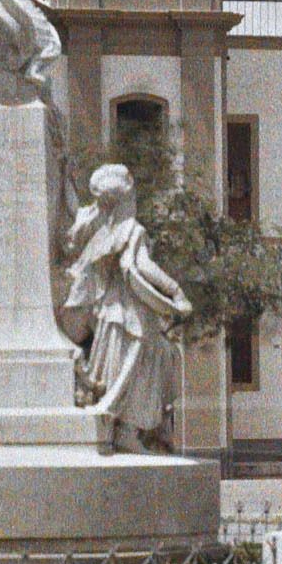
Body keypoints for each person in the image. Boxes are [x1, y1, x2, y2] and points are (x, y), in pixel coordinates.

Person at [64, 162, 191, 453]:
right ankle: (126, 427)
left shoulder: (103, 233)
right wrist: (175, 291)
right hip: (131, 313)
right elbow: (145, 267)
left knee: (126, 365)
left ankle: (121, 425)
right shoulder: (131, 230)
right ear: (128, 196)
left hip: (111, 314)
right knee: (143, 362)